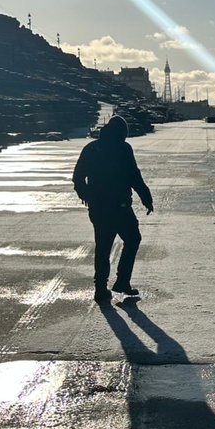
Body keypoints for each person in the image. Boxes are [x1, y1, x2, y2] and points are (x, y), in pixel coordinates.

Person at [73, 115, 153, 304]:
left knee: (103, 246)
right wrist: (146, 198)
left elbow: (78, 176)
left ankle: (101, 289)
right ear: (121, 133)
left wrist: (85, 194)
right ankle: (122, 281)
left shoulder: (92, 148)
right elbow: (134, 176)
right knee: (133, 239)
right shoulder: (123, 149)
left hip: (98, 206)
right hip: (120, 205)